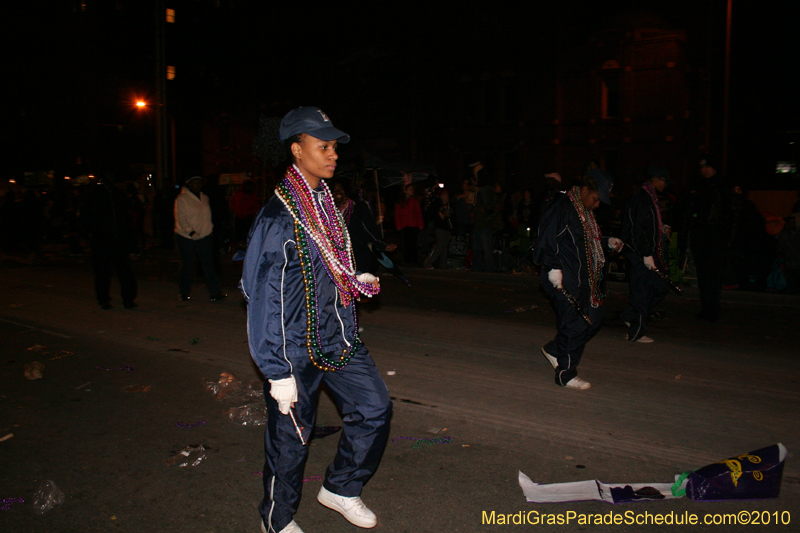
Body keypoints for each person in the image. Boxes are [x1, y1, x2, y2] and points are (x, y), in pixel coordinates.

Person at [240, 106, 392, 533]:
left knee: (375, 407)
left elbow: (325, 259)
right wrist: (276, 371)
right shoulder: (278, 216)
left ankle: (341, 488)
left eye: (334, 147)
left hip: (338, 335)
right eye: (322, 146)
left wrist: (349, 276)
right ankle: (278, 519)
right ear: (296, 150)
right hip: (293, 350)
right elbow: (261, 296)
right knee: (291, 440)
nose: (333, 154)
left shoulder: (324, 202)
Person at [533, 170, 622, 389]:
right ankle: (566, 374)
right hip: (563, 275)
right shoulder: (562, 206)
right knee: (575, 324)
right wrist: (553, 268)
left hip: (584, 278)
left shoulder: (583, 210)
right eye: (596, 198)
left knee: (595, 318)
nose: (598, 204)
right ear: (583, 190)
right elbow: (546, 238)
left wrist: (605, 241)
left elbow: (584, 240)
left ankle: (555, 350)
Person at [619, 166, 672, 343]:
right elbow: (637, 228)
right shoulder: (642, 197)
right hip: (641, 252)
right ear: (655, 179)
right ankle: (636, 331)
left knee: (661, 284)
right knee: (642, 290)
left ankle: (630, 315)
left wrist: (660, 230)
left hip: (648, 249)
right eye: (664, 180)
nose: (665, 184)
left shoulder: (651, 197)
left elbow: (648, 225)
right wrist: (645, 253)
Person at [684, 156, 735, 322]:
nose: (705, 170)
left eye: (708, 167)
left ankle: (712, 309)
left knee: (712, 275)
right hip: (701, 235)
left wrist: (727, 238)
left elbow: (732, 213)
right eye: (703, 167)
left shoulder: (723, 185)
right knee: (703, 274)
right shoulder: (698, 185)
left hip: (715, 236)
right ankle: (707, 308)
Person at [81, 176, 138, 309]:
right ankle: (104, 298)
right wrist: (89, 234)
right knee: (103, 271)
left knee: (124, 270)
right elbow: (86, 217)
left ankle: (128, 298)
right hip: (101, 239)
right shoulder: (94, 195)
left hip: (119, 238)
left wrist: (129, 239)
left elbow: (127, 217)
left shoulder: (118, 195)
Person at [174, 175, 226, 301]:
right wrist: (190, 232)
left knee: (208, 265)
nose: (197, 185)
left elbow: (206, 216)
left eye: (199, 183)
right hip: (187, 237)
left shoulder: (204, 198)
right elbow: (181, 217)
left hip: (204, 236)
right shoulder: (182, 199)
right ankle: (184, 292)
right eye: (195, 183)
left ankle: (215, 293)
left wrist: (209, 229)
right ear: (189, 184)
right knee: (187, 265)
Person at [331, 178, 396, 274]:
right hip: (336, 256)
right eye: (334, 190)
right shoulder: (325, 210)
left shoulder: (356, 206)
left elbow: (370, 228)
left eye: (341, 189)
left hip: (358, 254)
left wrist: (382, 244)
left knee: (359, 283)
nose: (338, 192)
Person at [394, 183, 424, 265]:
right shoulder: (400, 201)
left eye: (412, 189)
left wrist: (420, 224)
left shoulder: (414, 200)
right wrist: (398, 225)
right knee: (406, 242)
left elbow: (418, 213)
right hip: (404, 224)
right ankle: (407, 259)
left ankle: (413, 259)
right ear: (405, 191)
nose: (412, 191)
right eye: (410, 189)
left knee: (413, 242)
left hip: (413, 224)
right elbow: (397, 214)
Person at [423, 188, 453, 269]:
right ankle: (429, 262)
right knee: (439, 245)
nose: (447, 196)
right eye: (444, 194)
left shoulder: (449, 204)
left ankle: (443, 264)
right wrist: (439, 213)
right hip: (439, 227)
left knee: (445, 246)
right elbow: (431, 212)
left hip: (447, 228)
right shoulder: (437, 204)